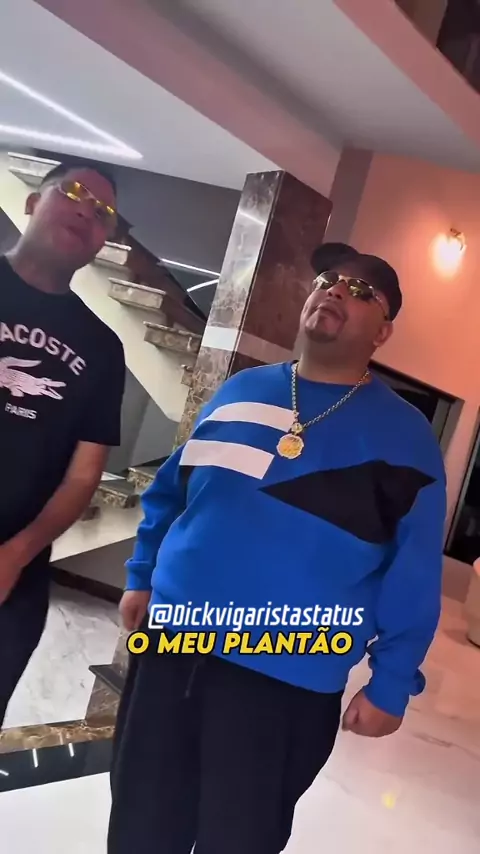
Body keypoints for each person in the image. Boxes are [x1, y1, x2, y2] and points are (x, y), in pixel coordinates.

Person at [109, 243, 446, 854]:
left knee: (239, 839)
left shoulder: (406, 436)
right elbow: (172, 492)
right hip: (172, 644)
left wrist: (391, 683)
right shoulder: (241, 391)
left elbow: (415, 571)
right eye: (328, 279)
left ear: (383, 332)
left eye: (361, 290)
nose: (336, 290)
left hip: (286, 671)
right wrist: (142, 575)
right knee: (140, 824)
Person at [0, 162, 126, 726]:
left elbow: (83, 476)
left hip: (12, 579)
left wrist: (14, 556)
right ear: (33, 201)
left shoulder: (102, 349)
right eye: (72, 191)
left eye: (103, 213)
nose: (85, 211)